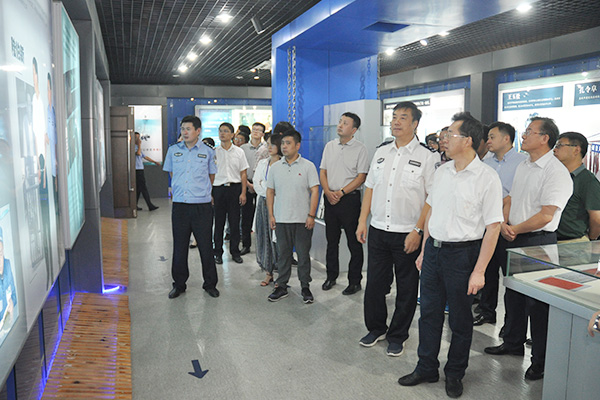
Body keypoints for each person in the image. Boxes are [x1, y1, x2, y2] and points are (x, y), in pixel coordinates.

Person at [398, 112, 503, 399]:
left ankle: (455, 372)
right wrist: (424, 250)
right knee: (429, 314)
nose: (444, 139)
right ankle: (426, 367)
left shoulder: (487, 178)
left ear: (467, 140)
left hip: (463, 255)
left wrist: (479, 271)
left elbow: (493, 227)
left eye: (450, 134)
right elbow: (432, 211)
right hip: (434, 251)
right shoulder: (442, 171)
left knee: (459, 319)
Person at [484, 117, 573, 382]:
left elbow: (546, 215)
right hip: (513, 236)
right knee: (513, 295)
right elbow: (512, 198)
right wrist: (504, 222)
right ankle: (512, 342)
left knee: (538, 304)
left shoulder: (556, 172)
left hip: (538, 242)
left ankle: (540, 361)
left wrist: (515, 229)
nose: (523, 136)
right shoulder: (524, 165)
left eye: (529, 132)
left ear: (545, 138)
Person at [356, 101, 440, 357]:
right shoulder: (382, 152)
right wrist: (362, 220)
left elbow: (432, 197)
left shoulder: (428, 156)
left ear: (415, 124)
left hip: (408, 232)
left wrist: (418, 230)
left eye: (403, 117)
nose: (396, 121)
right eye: (394, 117)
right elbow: (370, 188)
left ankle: (398, 335)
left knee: (407, 287)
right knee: (374, 284)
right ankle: (376, 328)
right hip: (379, 229)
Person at [473, 122, 527, 326]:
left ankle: (511, 324)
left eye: (492, 137)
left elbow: (515, 195)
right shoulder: (485, 163)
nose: (488, 141)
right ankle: (486, 312)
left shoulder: (522, 163)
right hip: (487, 226)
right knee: (487, 270)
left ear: (506, 138)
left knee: (511, 279)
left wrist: (503, 221)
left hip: (509, 227)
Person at [163, 115, 219, 299]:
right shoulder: (173, 150)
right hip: (180, 205)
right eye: (183, 129)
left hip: (201, 205)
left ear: (198, 131)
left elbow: (211, 176)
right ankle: (179, 284)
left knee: (205, 246)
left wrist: (201, 191)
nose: (185, 132)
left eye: (188, 129)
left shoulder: (208, 151)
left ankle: (210, 283)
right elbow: (172, 173)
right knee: (179, 246)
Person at [266, 129, 319, 303]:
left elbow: (315, 191)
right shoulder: (275, 167)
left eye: (288, 143)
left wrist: (311, 215)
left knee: (303, 256)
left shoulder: (308, 166)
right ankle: (281, 286)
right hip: (281, 218)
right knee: (283, 255)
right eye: (282, 143)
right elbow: (270, 191)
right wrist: (271, 215)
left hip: (303, 220)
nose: (284, 146)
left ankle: (305, 286)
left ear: (298, 145)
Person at [320, 112, 369, 295]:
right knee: (331, 241)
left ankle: (355, 281)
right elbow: (323, 171)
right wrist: (327, 192)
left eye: (345, 123)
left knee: (353, 243)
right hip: (330, 198)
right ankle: (331, 276)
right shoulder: (329, 146)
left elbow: (361, 177)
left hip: (349, 200)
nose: (340, 125)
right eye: (340, 122)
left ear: (354, 129)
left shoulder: (360, 149)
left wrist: (341, 192)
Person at [553, 132, 600, 242]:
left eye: (560, 145)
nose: (555, 150)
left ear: (576, 150)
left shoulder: (587, 181)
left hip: (573, 242)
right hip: (551, 239)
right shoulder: (557, 176)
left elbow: (597, 219)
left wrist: (590, 239)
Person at [213, 122, 248, 265]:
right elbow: (209, 174)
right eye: (220, 131)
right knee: (219, 223)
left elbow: (243, 173)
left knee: (234, 223)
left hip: (234, 189)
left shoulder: (239, 152)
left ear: (232, 134)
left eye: (226, 131)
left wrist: (243, 192)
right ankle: (217, 253)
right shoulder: (214, 152)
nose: (222, 133)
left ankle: (235, 252)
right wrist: (210, 193)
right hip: (218, 189)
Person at [253, 134, 282, 285]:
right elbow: (256, 183)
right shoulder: (263, 163)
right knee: (263, 237)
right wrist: (268, 192)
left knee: (277, 240)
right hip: (263, 203)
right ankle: (268, 272)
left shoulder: (284, 164)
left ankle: (280, 275)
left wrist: (269, 190)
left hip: (279, 204)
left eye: (273, 144)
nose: (269, 147)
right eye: (268, 144)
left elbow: (282, 187)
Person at [240, 122, 269, 255]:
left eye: (259, 130)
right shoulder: (243, 148)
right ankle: (246, 245)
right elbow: (239, 168)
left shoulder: (266, 148)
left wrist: (258, 185)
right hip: (246, 183)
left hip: (263, 186)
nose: (256, 132)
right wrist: (248, 184)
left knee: (262, 216)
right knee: (246, 215)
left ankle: (263, 246)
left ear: (263, 133)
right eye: (254, 129)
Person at [135, 132, 160, 211]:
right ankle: (150, 205)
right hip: (137, 170)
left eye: (138, 137)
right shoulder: (134, 147)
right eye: (136, 137)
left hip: (140, 169)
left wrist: (154, 162)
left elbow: (145, 157)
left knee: (139, 189)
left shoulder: (137, 147)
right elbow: (138, 153)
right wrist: (139, 145)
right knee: (143, 188)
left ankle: (134, 205)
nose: (138, 139)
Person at [0, 227, 17, 331]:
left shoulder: (7, 265)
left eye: (0, 253)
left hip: (8, 328)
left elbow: (14, 295)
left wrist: (11, 303)